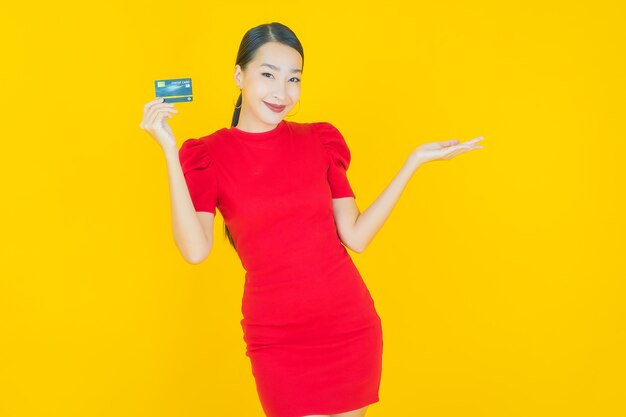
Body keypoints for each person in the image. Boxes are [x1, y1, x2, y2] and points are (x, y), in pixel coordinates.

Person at [140, 21, 483, 417]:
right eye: (267, 75)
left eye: (293, 79)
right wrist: (168, 150)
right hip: (278, 339)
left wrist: (413, 163)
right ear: (239, 75)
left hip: (347, 326)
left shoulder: (319, 141)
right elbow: (195, 250)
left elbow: (355, 235)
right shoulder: (208, 155)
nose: (281, 92)